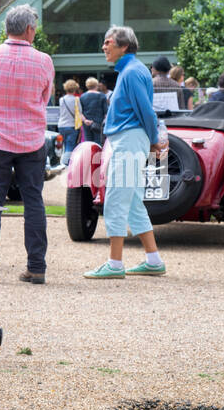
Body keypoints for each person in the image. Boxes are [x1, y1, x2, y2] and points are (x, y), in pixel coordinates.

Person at [0, 4, 54, 284]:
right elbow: (45, 98)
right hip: (31, 142)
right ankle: (36, 266)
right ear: (30, 30)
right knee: (33, 201)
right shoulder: (44, 60)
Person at [83, 26, 167, 279]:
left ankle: (115, 263)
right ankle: (153, 260)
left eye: (108, 42)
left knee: (117, 198)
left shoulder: (130, 73)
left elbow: (146, 111)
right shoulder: (133, 71)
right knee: (131, 201)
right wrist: (150, 141)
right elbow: (145, 111)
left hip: (129, 140)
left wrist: (152, 141)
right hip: (131, 139)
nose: (103, 47)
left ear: (124, 46)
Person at [58, 79, 82, 165]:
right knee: (70, 145)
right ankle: (65, 163)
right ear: (75, 88)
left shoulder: (61, 99)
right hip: (71, 125)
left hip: (61, 125)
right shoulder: (76, 99)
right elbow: (79, 113)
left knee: (64, 145)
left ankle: (65, 161)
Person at [79, 77, 108, 145]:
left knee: (88, 143)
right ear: (96, 85)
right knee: (97, 143)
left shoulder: (82, 96)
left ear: (87, 85)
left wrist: (85, 120)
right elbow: (106, 113)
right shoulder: (102, 96)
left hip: (86, 123)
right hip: (98, 123)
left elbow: (80, 112)